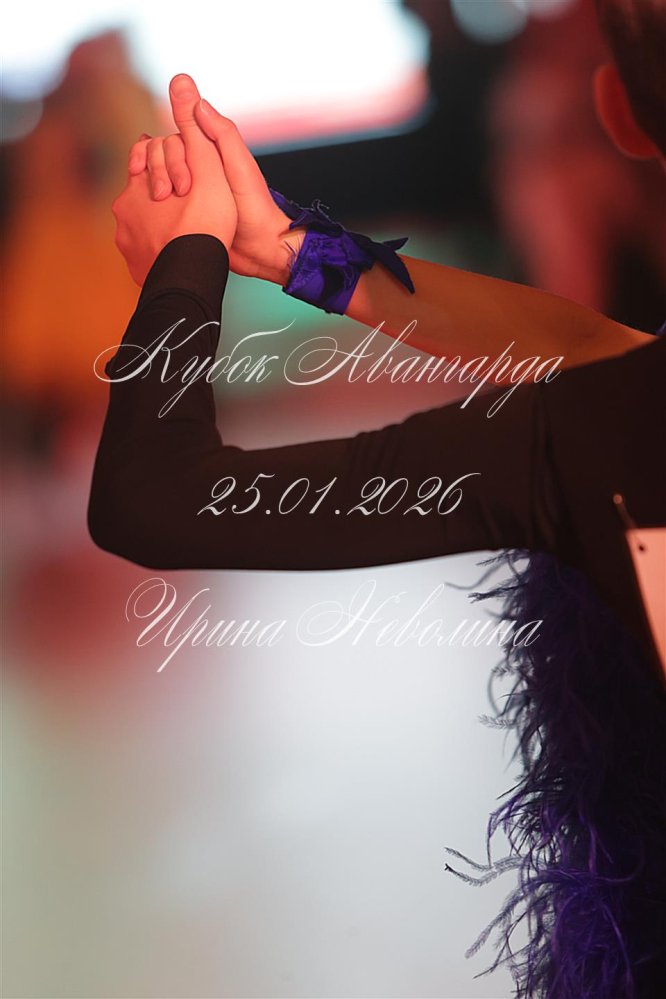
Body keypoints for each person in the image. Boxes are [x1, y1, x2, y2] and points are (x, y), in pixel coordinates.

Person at [88, 1, 665, 995]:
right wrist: (286, 249)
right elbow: (589, 349)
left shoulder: (588, 435)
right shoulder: (602, 405)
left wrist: (185, 264)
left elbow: (159, 494)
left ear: (620, 111)